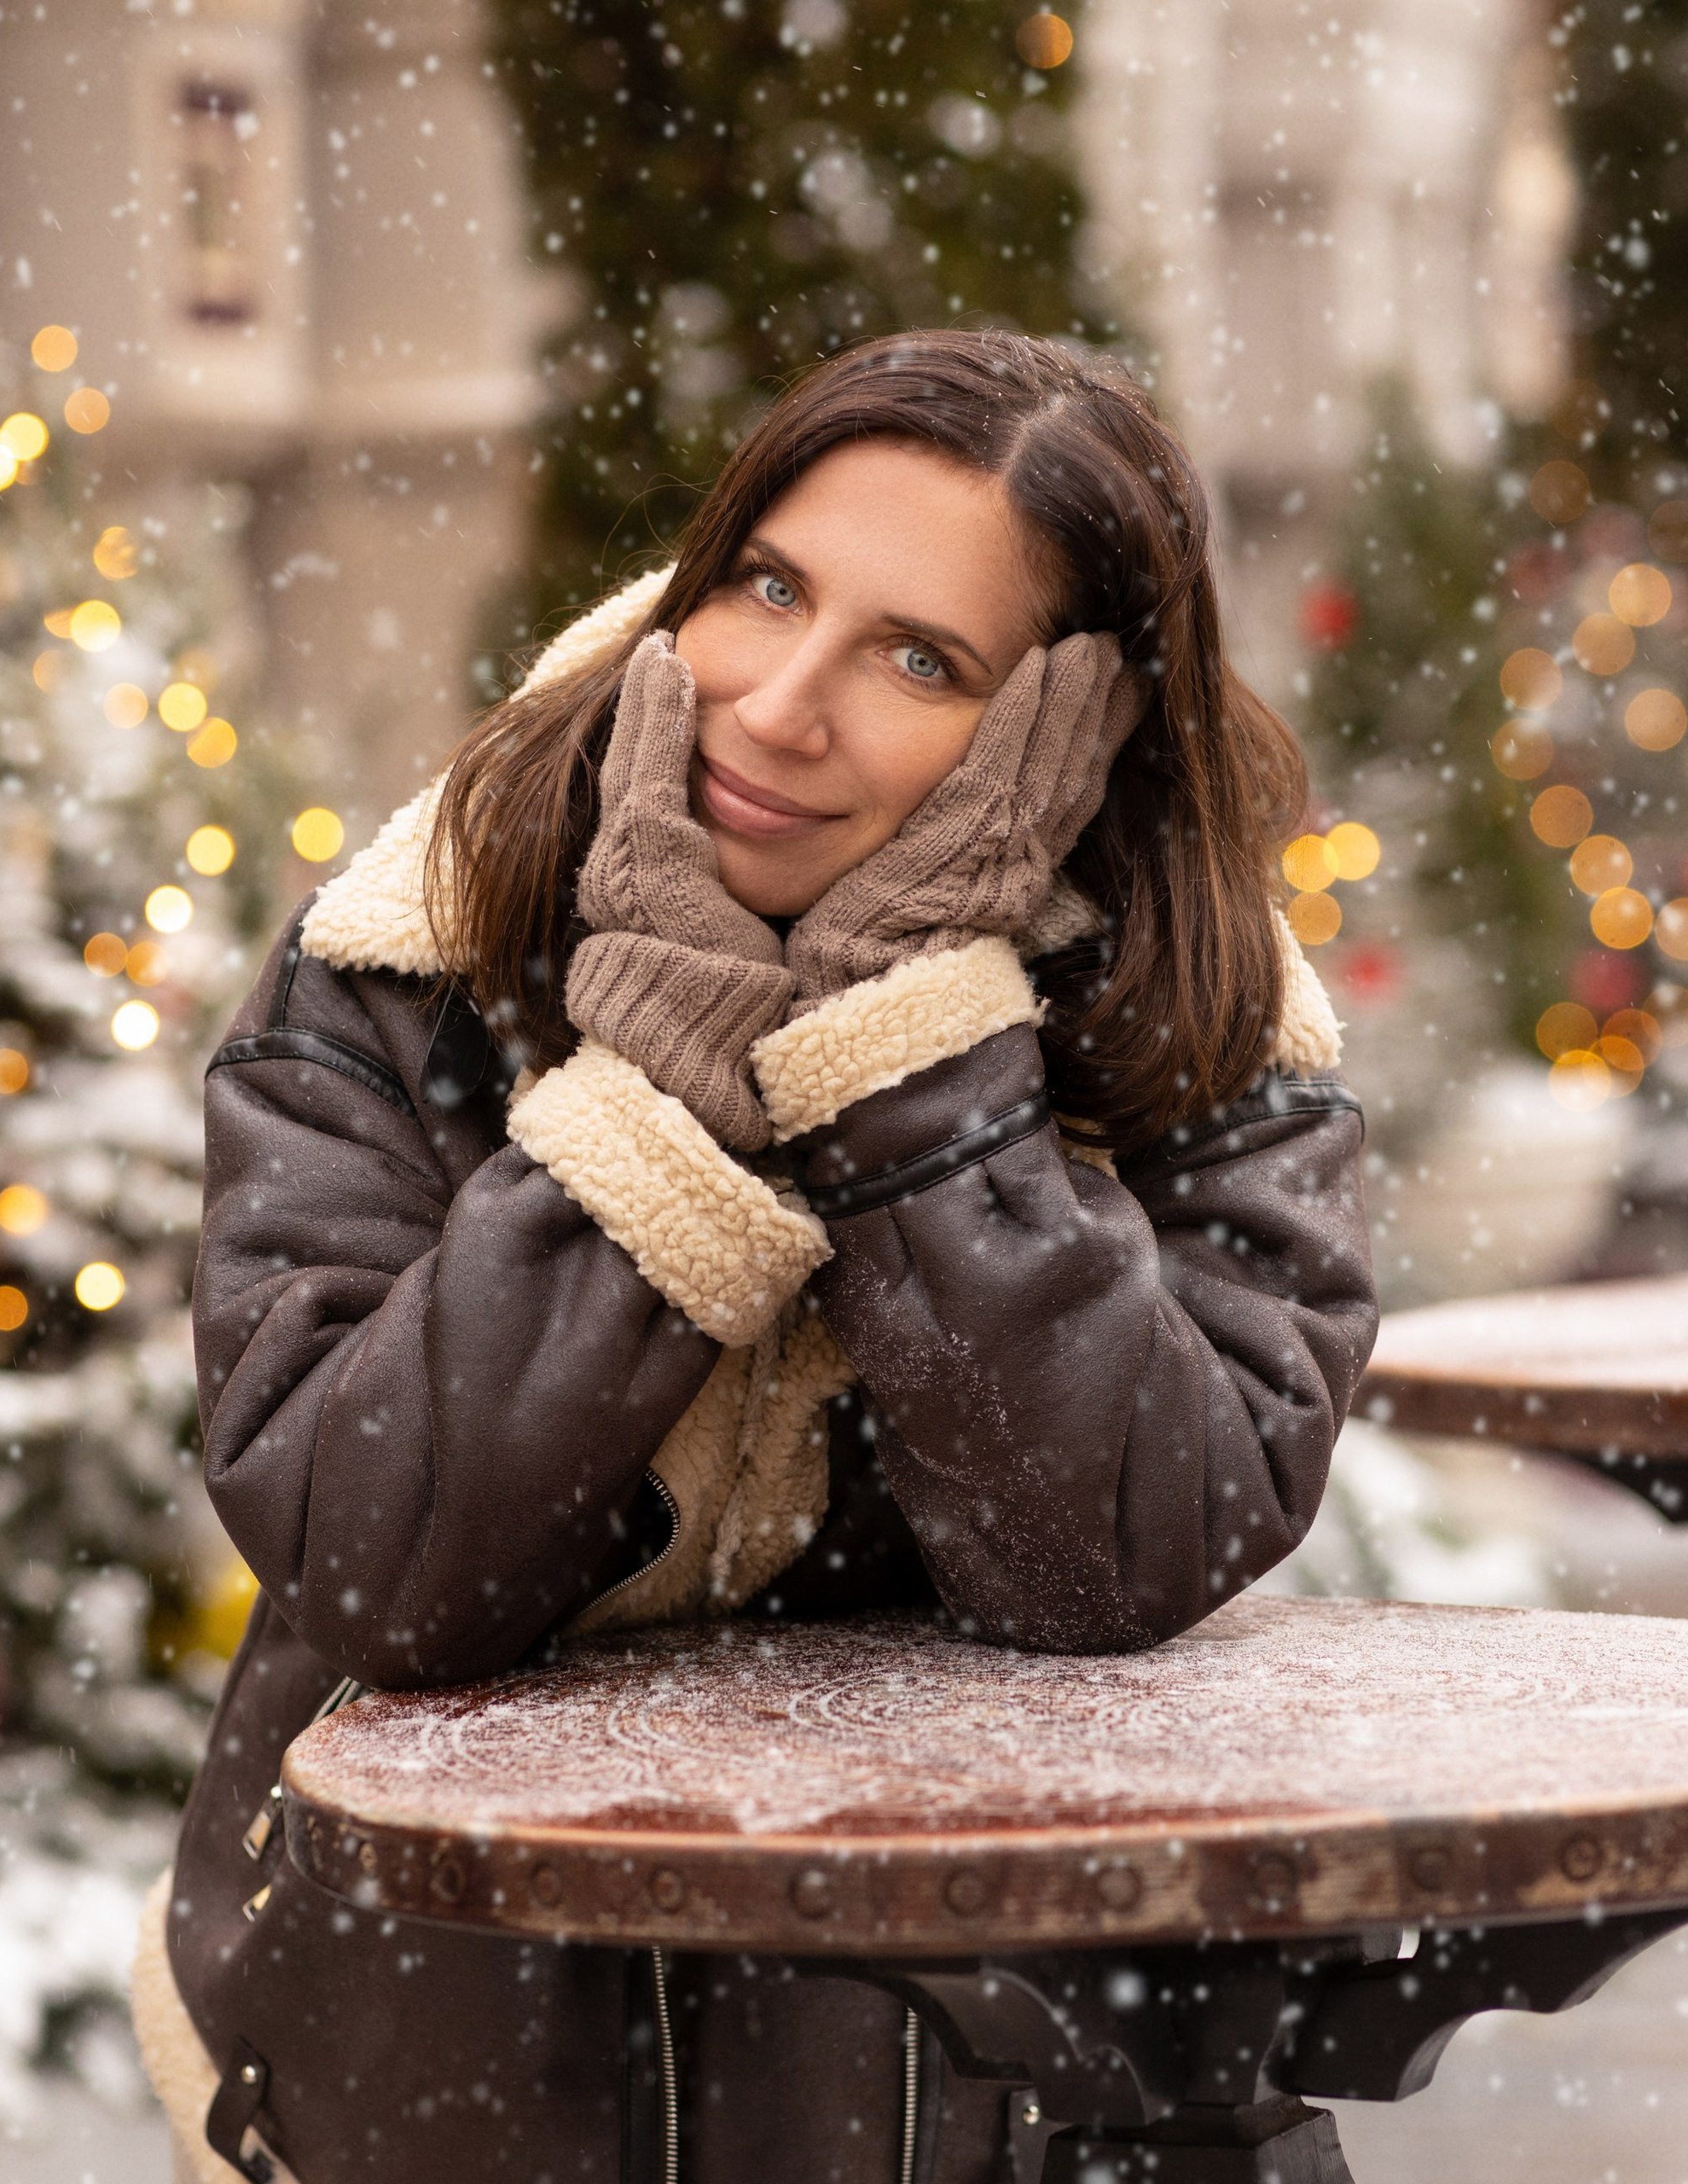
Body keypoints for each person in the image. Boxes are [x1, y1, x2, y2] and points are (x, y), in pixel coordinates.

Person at [131, 328, 1378, 2184]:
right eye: (770, 588)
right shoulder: (408, 963)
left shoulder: (1202, 1039)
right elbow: (374, 1559)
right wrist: (667, 1088)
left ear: (1070, 730)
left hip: (996, 2112)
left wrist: (911, 1062)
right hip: (428, 2087)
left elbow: (1113, 1554)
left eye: (920, 659)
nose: (781, 705)